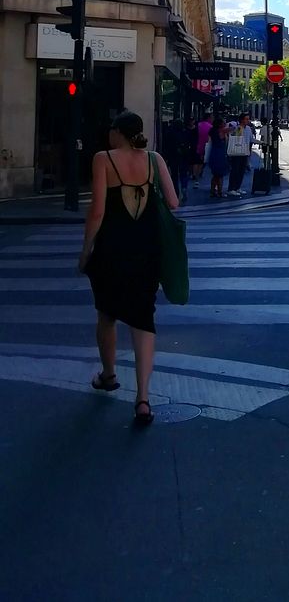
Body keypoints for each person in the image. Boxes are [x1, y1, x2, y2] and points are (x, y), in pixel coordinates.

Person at [79, 110, 178, 427]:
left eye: (111, 128)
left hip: (112, 249)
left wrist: (85, 252)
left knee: (106, 315)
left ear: (118, 132)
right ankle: (144, 399)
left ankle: (108, 375)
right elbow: (174, 203)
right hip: (147, 250)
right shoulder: (154, 159)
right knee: (143, 319)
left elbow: (97, 212)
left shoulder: (103, 159)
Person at [227, 113, 254, 198]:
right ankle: (231, 189)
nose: (247, 120)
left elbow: (250, 139)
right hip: (237, 152)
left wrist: (261, 142)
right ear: (241, 120)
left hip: (245, 152)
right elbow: (237, 140)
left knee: (241, 170)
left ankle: (238, 187)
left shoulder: (249, 128)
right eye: (246, 119)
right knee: (235, 170)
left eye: (248, 119)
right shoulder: (238, 128)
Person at [208, 117, 229, 198]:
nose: (225, 124)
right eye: (223, 123)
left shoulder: (212, 131)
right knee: (220, 175)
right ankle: (220, 191)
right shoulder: (222, 131)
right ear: (220, 124)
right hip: (220, 154)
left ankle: (212, 191)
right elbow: (233, 128)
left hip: (213, 153)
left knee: (215, 175)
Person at [192, 112, 213, 187]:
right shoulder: (210, 127)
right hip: (205, 146)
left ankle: (194, 174)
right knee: (201, 162)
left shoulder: (198, 125)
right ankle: (198, 174)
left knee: (196, 161)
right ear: (208, 118)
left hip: (197, 145)